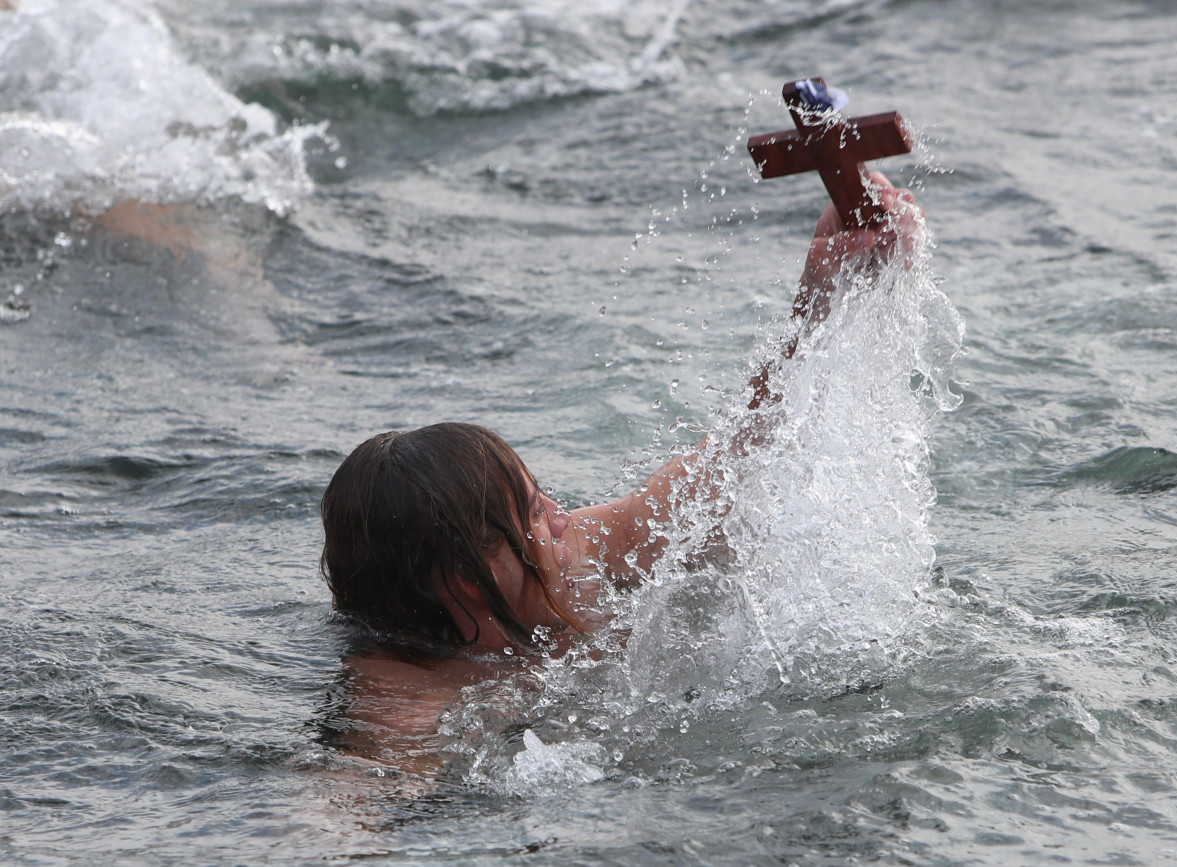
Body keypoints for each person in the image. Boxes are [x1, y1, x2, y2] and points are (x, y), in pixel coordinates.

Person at [318, 173, 921, 770]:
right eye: (534, 512)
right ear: (472, 579)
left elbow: (734, 463)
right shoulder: (402, 700)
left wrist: (820, 297)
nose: (562, 516)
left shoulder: (565, 556)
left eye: (542, 496)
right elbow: (341, 816)